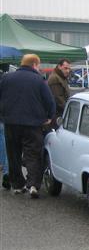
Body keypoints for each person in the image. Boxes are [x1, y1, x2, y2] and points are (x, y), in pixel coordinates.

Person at [0, 54, 55, 198]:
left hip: (10, 123)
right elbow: (49, 100)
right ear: (35, 64)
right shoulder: (39, 80)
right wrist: (49, 116)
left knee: (13, 155)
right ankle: (33, 185)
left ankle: (17, 185)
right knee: (33, 154)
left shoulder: (6, 78)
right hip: (33, 124)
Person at [47, 58, 71, 124]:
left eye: (69, 69)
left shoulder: (62, 77)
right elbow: (58, 99)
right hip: (57, 114)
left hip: (61, 112)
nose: (68, 71)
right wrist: (68, 110)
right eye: (65, 68)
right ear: (59, 66)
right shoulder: (55, 78)